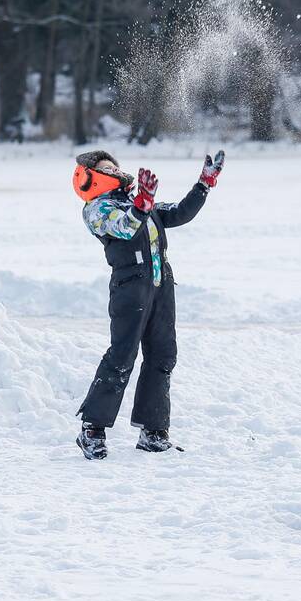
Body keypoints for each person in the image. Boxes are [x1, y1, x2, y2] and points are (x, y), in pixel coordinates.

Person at [72, 149, 225, 460]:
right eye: (106, 168)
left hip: (160, 284)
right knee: (122, 355)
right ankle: (92, 429)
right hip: (130, 287)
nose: (114, 171)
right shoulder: (97, 209)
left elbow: (179, 213)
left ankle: (153, 432)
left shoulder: (139, 201)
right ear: (91, 176)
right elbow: (124, 227)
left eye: (115, 166)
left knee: (163, 354)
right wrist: (142, 203)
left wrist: (203, 185)